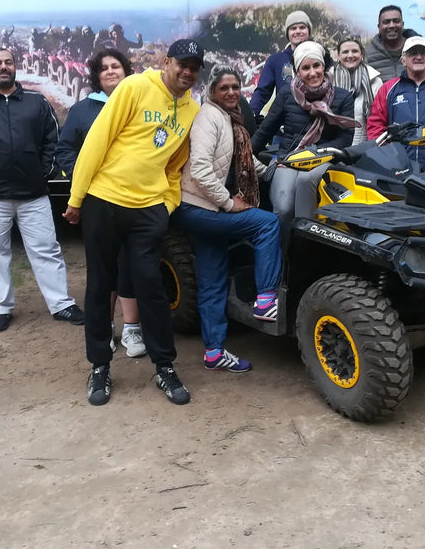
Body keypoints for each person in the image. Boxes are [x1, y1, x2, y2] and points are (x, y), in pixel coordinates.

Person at [63, 39, 202, 407]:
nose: (186, 72)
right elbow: (98, 139)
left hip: (148, 211)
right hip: (104, 201)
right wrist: (77, 197)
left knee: (151, 288)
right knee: (99, 286)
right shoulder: (135, 86)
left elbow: (176, 165)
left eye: (194, 67)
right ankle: (100, 366)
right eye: (181, 64)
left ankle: (165, 366)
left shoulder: (191, 110)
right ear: (167, 61)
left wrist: (167, 203)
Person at [0, 48, 84, 332]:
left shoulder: (37, 103)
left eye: (8, 62)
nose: (4, 67)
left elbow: (53, 140)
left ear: (16, 66)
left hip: (33, 194)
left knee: (46, 249)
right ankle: (1, 308)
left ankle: (61, 304)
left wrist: (43, 173)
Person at [176, 66, 283, 372]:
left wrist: (275, 169)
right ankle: (265, 301)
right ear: (212, 91)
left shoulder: (231, 120)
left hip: (203, 211)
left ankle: (214, 352)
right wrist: (228, 203)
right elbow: (200, 169)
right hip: (200, 209)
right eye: (224, 88)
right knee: (267, 224)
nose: (232, 92)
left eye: (235, 87)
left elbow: (242, 162)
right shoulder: (210, 118)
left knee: (212, 283)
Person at [55, 48, 146, 359]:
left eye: (116, 66)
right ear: (96, 75)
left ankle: (132, 329)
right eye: (104, 67)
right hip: (97, 201)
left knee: (130, 264)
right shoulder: (82, 111)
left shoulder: (140, 105)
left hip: (135, 200)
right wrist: (82, 181)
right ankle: (105, 329)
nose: (111, 71)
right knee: (102, 267)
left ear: (126, 71)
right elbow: (65, 150)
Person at [251, 41, 357, 238]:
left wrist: (315, 153)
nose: (312, 73)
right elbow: (266, 129)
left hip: (323, 157)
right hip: (289, 159)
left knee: (306, 180)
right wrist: (245, 153)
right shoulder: (286, 94)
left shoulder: (342, 98)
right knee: (283, 209)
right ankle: (281, 257)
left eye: (316, 66)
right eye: (305, 68)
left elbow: (345, 139)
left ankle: (305, 240)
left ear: (324, 67)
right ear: (297, 71)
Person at [366, 36, 425, 171]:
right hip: (399, 167)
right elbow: (375, 126)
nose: (418, 57)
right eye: (413, 53)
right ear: (403, 60)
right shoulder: (388, 88)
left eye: (423, 53)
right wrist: (387, 157)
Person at [249, 10, 312, 115]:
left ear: (309, 31)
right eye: (293, 28)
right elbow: (262, 92)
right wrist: (250, 115)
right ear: (287, 33)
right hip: (285, 121)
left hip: (314, 118)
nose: (297, 31)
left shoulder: (321, 57)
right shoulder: (275, 60)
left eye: (302, 27)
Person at [331, 38, 383, 144]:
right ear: (338, 55)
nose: (350, 55)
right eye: (345, 52)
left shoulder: (374, 81)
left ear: (362, 54)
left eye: (354, 51)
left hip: (366, 146)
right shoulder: (329, 80)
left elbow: (379, 119)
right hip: (336, 148)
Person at [366, 5, 420, 80]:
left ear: (403, 24)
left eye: (396, 21)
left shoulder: (418, 50)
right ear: (379, 27)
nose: (391, 25)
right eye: (386, 22)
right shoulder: (367, 55)